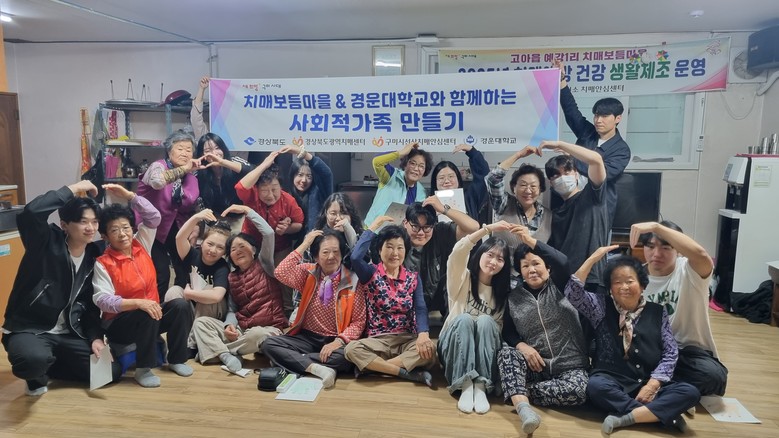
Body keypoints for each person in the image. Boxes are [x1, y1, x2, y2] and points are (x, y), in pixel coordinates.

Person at [2, 180, 121, 396]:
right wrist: (74, 189)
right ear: (65, 225)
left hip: (69, 333)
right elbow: (31, 213)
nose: (91, 228)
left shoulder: (94, 256)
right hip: (31, 329)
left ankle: (49, 364)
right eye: (83, 222)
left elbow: (89, 306)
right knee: (32, 361)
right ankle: (37, 372)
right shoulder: (45, 242)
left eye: (94, 222)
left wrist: (95, 337)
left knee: (109, 371)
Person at [565, 246, 700, 435]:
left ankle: (627, 417)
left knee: (690, 392)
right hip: (612, 381)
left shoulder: (657, 311)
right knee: (595, 387)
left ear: (642, 285)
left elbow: (670, 352)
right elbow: (573, 293)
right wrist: (593, 258)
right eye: (617, 282)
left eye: (629, 281)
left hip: (647, 380)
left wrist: (652, 385)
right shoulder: (600, 307)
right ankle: (664, 415)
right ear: (610, 288)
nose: (624, 287)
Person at [93, 184, 195, 388]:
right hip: (119, 325)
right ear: (105, 236)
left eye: (126, 228)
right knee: (146, 311)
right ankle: (143, 369)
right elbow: (102, 300)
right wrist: (138, 303)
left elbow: (154, 217)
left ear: (132, 228)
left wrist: (130, 196)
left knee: (181, 306)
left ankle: (177, 359)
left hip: (149, 314)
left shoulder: (141, 244)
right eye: (114, 230)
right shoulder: (103, 263)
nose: (122, 234)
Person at [496, 225, 589, 434]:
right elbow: (508, 332)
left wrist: (530, 240)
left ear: (548, 267)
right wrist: (522, 347)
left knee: (581, 390)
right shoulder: (514, 298)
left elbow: (563, 261)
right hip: (537, 368)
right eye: (525, 266)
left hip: (571, 367)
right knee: (506, 353)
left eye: (536, 263)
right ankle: (524, 410)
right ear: (520, 272)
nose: (531, 270)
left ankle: (518, 393)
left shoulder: (562, 285)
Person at [631, 220, 728, 396]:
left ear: (678, 250)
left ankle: (657, 386)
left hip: (687, 354)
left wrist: (656, 227)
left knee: (713, 376)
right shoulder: (634, 278)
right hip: (650, 351)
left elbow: (701, 254)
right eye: (650, 246)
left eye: (666, 248)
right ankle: (675, 391)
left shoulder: (689, 270)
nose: (656, 254)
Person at [262, 229, 366, 388]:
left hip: (335, 339)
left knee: (347, 357)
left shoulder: (352, 280)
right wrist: (305, 244)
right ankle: (317, 368)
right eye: (325, 252)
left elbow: (359, 322)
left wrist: (338, 342)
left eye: (336, 252)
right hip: (307, 337)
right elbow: (280, 272)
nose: (331, 256)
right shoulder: (308, 272)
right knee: (269, 344)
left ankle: (293, 360)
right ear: (316, 256)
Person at [190, 205, 288, 372]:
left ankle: (216, 351)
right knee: (201, 323)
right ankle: (226, 355)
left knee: (258, 335)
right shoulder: (232, 277)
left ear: (254, 250)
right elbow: (232, 310)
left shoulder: (265, 264)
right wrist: (229, 326)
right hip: (243, 330)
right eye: (233, 249)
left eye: (242, 246)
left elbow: (269, 233)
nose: (238, 251)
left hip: (268, 329)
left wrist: (247, 210)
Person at [344, 218, 436, 386]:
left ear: (405, 251)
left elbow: (420, 308)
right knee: (351, 350)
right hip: (378, 341)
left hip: (406, 339)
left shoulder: (413, 277)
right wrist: (373, 227)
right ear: (380, 250)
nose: (395, 253)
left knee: (430, 352)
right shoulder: (371, 273)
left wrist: (423, 334)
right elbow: (356, 258)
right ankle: (405, 373)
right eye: (389, 247)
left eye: (400, 248)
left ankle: (375, 367)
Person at [438, 221, 512, 414]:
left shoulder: (502, 294)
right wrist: (487, 230)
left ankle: (480, 385)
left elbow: (495, 335)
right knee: (465, 319)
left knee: (486, 322)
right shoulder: (462, 279)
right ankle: (465, 384)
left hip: (484, 357)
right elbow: (458, 253)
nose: (493, 262)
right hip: (454, 344)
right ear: (480, 254)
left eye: (500, 259)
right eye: (490, 255)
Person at [553, 60, 631, 226]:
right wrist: (562, 80)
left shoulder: (622, 150)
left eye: (604, 116)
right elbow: (571, 112)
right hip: (571, 202)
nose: (598, 120)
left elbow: (602, 174)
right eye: (596, 115)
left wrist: (572, 157)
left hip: (597, 210)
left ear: (618, 118)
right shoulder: (587, 132)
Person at [136, 129, 203, 300]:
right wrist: (185, 168)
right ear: (169, 150)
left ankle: (177, 307)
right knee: (161, 274)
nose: (185, 153)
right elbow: (158, 182)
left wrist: (196, 227)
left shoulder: (192, 177)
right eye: (180, 148)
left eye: (189, 150)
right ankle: (155, 310)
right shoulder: (158, 167)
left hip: (176, 229)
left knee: (184, 271)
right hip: (151, 230)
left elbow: (194, 204)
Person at [235, 151, 304, 315]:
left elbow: (299, 224)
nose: (270, 195)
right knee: (252, 277)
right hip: (253, 244)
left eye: (274, 189)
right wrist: (265, 165)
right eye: (265, 190)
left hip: (280, 246)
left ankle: (287, 312)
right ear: (256, 189)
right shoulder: (251, 196)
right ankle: (250, 311)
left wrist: (287, 229)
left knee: (283, 273)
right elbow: (241, 186)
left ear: (281, 186)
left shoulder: (288, 200)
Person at [541, 140, 609, 291]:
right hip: (563, 281)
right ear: (551, 183)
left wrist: (559, 144)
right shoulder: (554, 214)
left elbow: (596, 160)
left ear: (576, 174)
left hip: (592, 280)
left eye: (567, 172)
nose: (562, 177)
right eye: (556, 175)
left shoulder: (592, 197)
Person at [486, 147, 552, 286]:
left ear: (540, 189)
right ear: (513, 188)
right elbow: (493, 179)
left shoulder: (549, 216)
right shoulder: (504, 205)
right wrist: (518, 155)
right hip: (503, 280)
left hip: (536, 283)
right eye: (523, 185)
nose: (528, 190)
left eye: (533, 186)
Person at [403, 199, 479, 313]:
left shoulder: (439, 233)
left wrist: (444, 209)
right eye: (415, 226)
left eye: (427, 227)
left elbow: (473, 227)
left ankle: (452, 322)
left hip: (437, 297)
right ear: (405, 223)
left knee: (451, 278)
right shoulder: (397, 240)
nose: (421, 233)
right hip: (408, 303)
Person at [164, 209, 231, 322]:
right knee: (174, 291)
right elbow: (180, 238)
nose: (213, 250)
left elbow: (217, 296)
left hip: (210, 310)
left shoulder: (222, 267)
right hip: (190, 305)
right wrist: (196, 218)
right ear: (202, 243)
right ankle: (178, 327)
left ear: (225, 252)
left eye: (220, 247)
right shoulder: (192, 255)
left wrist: (191, 294)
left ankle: (196, 331)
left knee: (208, 302)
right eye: (210, 244)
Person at [364, 142, 433, 226]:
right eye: (412, 163)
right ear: (405, 164)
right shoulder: (391, 175)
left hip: (398, 232)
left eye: (421, 166)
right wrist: (401, 152)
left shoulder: (421, 191)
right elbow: (377, 161)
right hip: (373, 229)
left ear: (425, 170)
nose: (416, 169)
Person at [429, 143, 490, 223]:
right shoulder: (429, 204)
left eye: (451, 176)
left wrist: (472, 152)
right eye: (441, 178)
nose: (447, 181)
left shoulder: (469, 198)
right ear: (435, 182)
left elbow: (483, 178)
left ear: (458, 179)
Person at [195, 132, 253, 215]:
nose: (214, 153)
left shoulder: (234, 161)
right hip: (215, 218)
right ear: (202, 155)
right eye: (208, 151)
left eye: (217, 148)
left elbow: (254, 171)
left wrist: (223, 162)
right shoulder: (199, 173)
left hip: (242, 216)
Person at [280, 144, 334, 233]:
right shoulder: (285, 197)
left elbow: (327, 174)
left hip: (317, 239)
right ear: (292, 175)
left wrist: (303, 153)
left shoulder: (318, 193)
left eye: (309, 176)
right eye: (300, 175)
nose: (304, 180)